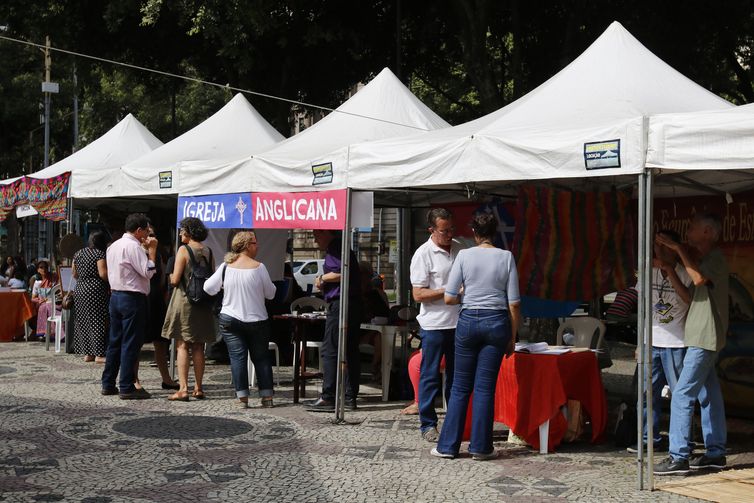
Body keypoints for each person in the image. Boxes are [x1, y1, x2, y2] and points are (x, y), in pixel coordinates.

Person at [431, 212, 521, 460]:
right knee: (485, 388)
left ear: (474, 233)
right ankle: (481, 448)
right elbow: (514, 303)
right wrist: (512, 338)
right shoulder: (506, 257)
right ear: (494, 233)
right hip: (497, 322)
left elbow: (449, 298)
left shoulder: (464, 256)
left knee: (460, 386)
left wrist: (466, 295)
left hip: (469, 321)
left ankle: (447, 447)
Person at [654, 212, 730, 475]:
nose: (688, 231)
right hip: (700, 336)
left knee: (683, 394)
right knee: (709, 396)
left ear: (708, 232)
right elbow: (689, 293)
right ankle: (715, 453)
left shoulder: (714, 260)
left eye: (693, 227)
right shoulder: (703, 259)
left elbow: (698, 279)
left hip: (704, 336)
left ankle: (678, 456)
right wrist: (669, 266)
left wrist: (676, 249)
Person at [627, 230, 692, 453]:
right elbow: (643, 309)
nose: (659, 251)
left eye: (664, 246)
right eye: (656, 246)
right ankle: (648, 439)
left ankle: (682, 444)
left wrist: (670, 271)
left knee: (680, 397)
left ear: (674, 249)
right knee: (646, 394)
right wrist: (640, 343)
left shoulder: (684, 273)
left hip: (677, 343)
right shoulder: (648, 273)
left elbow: (689, 300)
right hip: (651, 342)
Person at [204, 231, 277, 408]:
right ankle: (267, 397)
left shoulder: (225, 267)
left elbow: (208, 288)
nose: (257, 245)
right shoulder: (259, 267)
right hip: (257, 319)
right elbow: (271, 293)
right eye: (254, 242)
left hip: (230, 318)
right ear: (246, 246)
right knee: (261, 358)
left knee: (238, 358)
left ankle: (242, 398)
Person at [410, 208, 462, 442]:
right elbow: (418, 294)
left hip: (460, 323)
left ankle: (455, 422)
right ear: (431, 230)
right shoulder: (423, 254)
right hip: (434, 325)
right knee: (430, 375)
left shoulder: (461, 248)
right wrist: (447, 291)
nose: (449, 234)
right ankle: (428, 424)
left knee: (456, 376)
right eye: (444, 231)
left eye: (451, 229)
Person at [101, 213, 157, 400]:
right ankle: (126, 386)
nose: (148, 234)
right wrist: (153, 251)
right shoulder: (134, 247)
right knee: (130, 343)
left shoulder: (113, 246)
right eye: (146, 230)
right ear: (139, 230)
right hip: (132, 298)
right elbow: (148, 272)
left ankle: (108, 383)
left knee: (115, 341)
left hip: (116, 295)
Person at [305, 229, 363, 412]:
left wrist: (321, 278)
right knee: (350, 350)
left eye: (316, 235)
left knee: (330, 349)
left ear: (326, 233)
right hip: (352, 303)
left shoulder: (335, 247)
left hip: (341, 303)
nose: (315, 240)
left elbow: (341, 272)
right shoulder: (342, 247)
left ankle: (328, 396)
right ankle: (349, 396)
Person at [161, 217, 216, 401]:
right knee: (199, 346)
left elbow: (176, 279)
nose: (180, 233)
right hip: (203, 303)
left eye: (182, 230)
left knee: (183, 344)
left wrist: (169, 277)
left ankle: (183, 388)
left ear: (189, 232)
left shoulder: (183, 250)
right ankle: (199, 388)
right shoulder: (208, 251)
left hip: (185, 301)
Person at [137, 225, 178, 390]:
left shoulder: (159, 253)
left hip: (156, 299)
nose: (150, 238)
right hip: (142, 298)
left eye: (152, 234)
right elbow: (149, 273)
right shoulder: (138, 253)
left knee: (160, 342)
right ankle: (135, 379)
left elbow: (162, 279)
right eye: (147, 234)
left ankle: (166, 378)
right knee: (137, 342)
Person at [72, 231, 110, 363]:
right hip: (95, 289)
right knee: (98, 320)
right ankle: (99, 355)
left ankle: (88, 354)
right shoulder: (99, 253)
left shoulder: (78, 253)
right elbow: (103, 274)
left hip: (80, 289)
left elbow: (74, 274)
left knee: (83, 321)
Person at [359, 261, 390, 380]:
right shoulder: (351, 293)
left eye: (367, 275)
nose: (364, 278)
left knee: (381, 338)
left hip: (371, 330)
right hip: (354, 329)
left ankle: (375, 368)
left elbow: (384, 314)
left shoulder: (375, 294)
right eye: (361, 274)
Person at [31, 260, 58, 338]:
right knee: (41, 306)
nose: (44, 269)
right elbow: (33, 298)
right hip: (41, 302)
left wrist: (48, 299)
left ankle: (52, 332)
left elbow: (58, 293)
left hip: (53, 301)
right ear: (38, 270)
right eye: (41, 267)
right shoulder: (37, 283)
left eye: (45, 267)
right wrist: (40, 300)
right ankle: (42, 332)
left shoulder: (53, 280)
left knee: (47, 307)